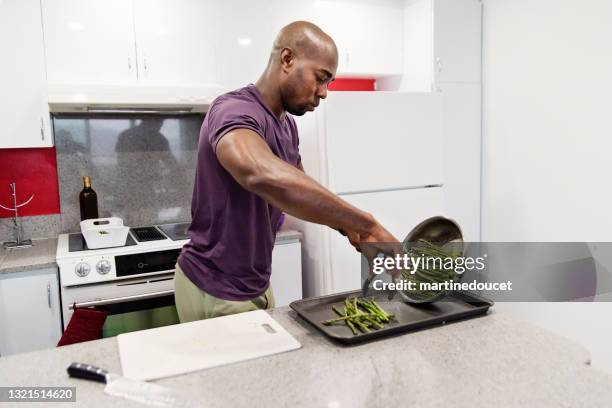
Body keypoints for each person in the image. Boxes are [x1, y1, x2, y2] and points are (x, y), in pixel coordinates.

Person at [174, 21, 399, 322]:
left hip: (256, 283)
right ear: (288, 59)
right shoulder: (234, 110)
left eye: (329, 83)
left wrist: (351, 229)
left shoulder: (286, 125)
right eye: (321, 78)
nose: (324, 93)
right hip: (216, 288)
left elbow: (298, 189)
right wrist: (368, 224)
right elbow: (260, 173)